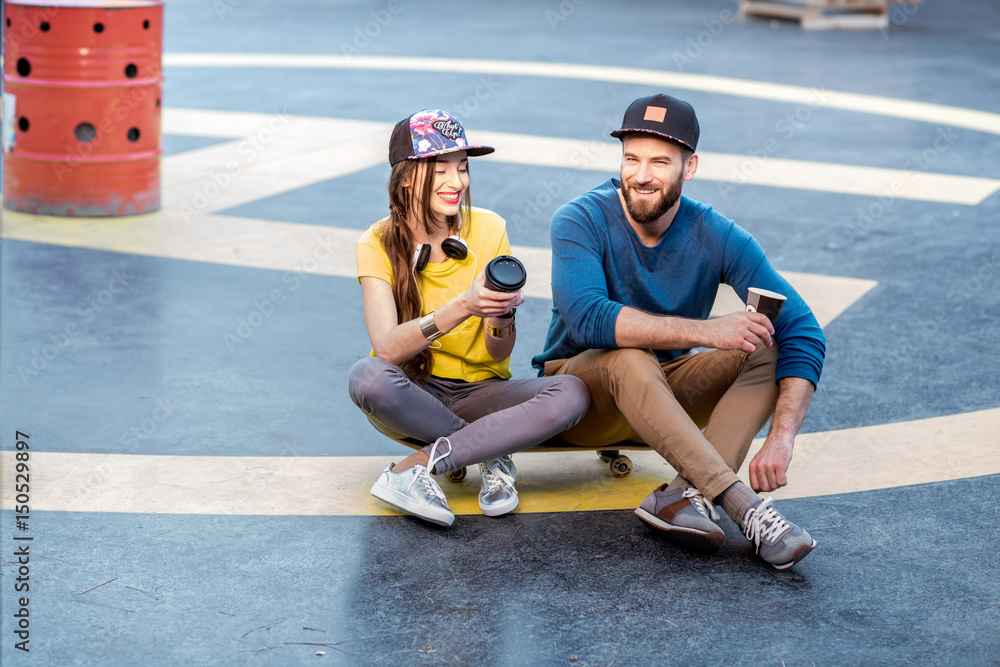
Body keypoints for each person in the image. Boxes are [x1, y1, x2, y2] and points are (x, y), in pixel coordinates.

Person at [532, 94, 826, 569]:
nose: (642, 174)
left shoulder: (717, 234)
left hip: (664, 400)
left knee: (765, 341)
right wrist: (711, 331)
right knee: (630, 354)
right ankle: (741, 506)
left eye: (660, 162)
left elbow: (804, 329)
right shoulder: (579, 219)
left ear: (689, 167)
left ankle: (682, 495)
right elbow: (589, 318)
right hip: (580, 397)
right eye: (632, 158)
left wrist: (783, 436)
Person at [349, 109, 590, 527]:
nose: (456, 181)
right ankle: (492, 452)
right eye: (440, 169)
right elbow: (386, 348)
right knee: (366, 376)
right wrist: (463, 305)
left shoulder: (489, 228)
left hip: (483, 394)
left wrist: (501, 315)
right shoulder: (375, 243)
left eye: (461, 169)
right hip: (413, 395)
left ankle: (416, 467)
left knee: (571, 393)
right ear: (406, 177)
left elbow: (499, 350)